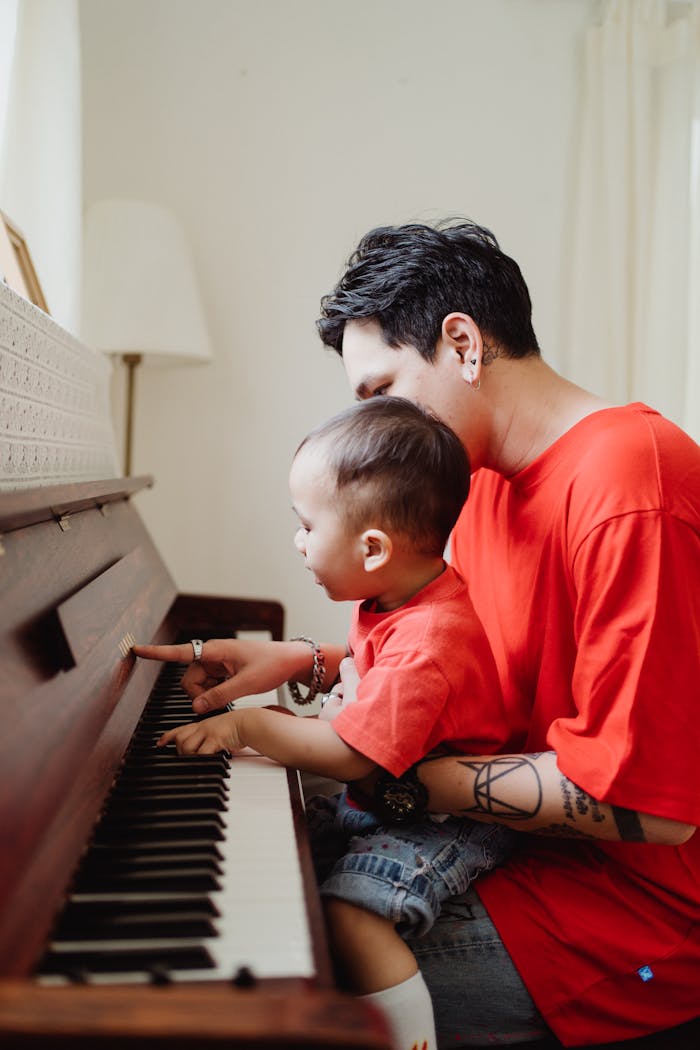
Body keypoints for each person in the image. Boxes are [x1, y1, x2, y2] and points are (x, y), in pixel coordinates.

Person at [137, 218, 700, 1048]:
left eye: (381, 390)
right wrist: (311, 660)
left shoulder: (632, 480)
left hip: (624, 917)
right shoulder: (469, 482)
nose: (376, 427)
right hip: (511, 847)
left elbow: (648, 806)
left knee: (277, 980)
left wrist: (398, 778)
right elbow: (470, 659)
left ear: (463, 343)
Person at [136, 395, 514, 1050]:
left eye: (307, 525)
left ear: (373, 548)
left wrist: (247, 728)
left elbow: (349, 755)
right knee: (290, 845)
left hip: (445, 822)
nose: (298, 540)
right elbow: (363, 695)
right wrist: (290, 685)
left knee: (352, 916)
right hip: (390, 796)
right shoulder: (396, 593)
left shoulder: (431, 640)